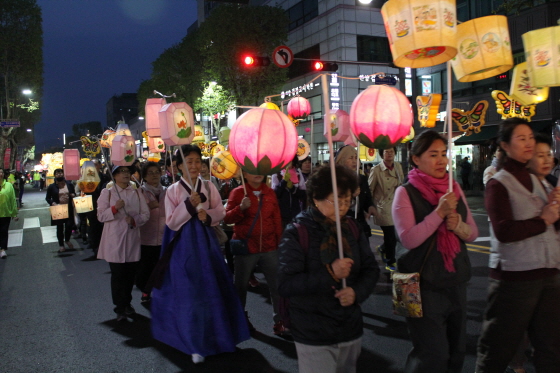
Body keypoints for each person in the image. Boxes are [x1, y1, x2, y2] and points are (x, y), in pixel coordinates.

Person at [151, 145, 249, 364]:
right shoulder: (173, 190)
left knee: (211, 290)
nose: (194, 166)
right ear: (178, 166)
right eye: (189, 161)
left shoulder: (208, 185)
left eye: (197, 161)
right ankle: (194, 342)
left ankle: (218, 338)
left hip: (206, 244)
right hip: (183, 247)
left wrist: (207, 216)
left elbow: (220, 212)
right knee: (190, 295)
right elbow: (172, 223)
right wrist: (189, 205)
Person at [476, 118, 560, 373]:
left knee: (550, 348)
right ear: (505, 145)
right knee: (498, 348)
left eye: (530, 138)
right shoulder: (498, 183)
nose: (528, 143)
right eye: (521, 138)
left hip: (549, 274)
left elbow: (553, 228)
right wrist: (542, 219)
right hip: (514, 278)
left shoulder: (542, 181)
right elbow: (503, 231)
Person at [277, 165, 379, 373]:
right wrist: (329, 274)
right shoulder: (298, 232)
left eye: (347, 200)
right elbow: (286, 284)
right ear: (316, 198)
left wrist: (356, 293)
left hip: (350, 328)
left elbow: (370, 269)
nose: (343, 207)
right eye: (336, 201)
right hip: (313, 332)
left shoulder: (351, 227)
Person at [392, 130, 478, 373]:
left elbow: (472, 233)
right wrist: (438, 213)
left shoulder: (454, 188)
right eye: (433, 154)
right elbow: (408, 239)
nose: (442, 160)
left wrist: (458, 226)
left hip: (455, 281)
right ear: (416, 159)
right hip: (420, 285)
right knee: (431, 355)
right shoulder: (405, 192)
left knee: (456, 351)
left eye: (444, 154)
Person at [224, 169, 284, 335]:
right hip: (246, 247)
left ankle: (280, 321)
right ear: (244, 174)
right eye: (252, 170)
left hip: (269, 246)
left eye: (260, 170)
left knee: (276, 286)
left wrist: (280, 244)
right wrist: (240, 208)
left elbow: (276, 219)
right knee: (240, 286)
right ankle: (238, 320)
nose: (257, 173)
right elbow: (227, 218)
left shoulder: (270, 192)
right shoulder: (237, 193)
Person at [97, 165, 150, 321]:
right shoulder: (107, 193)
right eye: (122, 172)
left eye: (128, 171)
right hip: (114, 240)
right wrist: (114, 208)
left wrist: (135, 220)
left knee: (129, 275)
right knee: (118, 275)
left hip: (132, 239)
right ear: (114, 175)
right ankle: (120, 307)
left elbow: (145, 214)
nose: (126, 174)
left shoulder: (136, 192)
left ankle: (127, 304)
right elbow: (100, 215)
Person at [368, 147, 404, 271]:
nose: (389, 154)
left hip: (396, 206)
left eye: (392, 151)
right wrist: (369, 206)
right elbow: (370, 189)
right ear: (382, 154)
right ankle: (390, 261)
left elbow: (402, 184)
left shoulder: (398, 166)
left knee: (396, 235)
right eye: (386, 151)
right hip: (383, 207)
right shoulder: (376, 170)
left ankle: (383, 249)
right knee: (390, 236)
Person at [136, 162, 166, 303]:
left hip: (164, 235)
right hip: (146, 236)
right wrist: (148, 206)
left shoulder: (167, 191)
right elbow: (136, 212)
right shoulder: (140, 192)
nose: (154, 175)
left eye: (157, 172)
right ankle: (145, 291)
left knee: (162, 266)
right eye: (150, 173)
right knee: (146, 267)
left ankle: (162, 291)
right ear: (144, 176)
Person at [335, 146, 376, 241]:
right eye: (350, 158)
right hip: (343, 224)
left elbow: (367, 199)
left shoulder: (361, 179)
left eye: (356, 158)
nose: (354, 161)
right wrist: (350, 196)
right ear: (342, 159)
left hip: (359, 223)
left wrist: (370, 207)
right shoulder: (335, 179)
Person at [46, 169, 77, 253]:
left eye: (60, 173)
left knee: (69, 225)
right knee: (59, 227)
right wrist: (52, 203)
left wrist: (73, 195)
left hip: (68, 208)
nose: (59, 174)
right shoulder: (52, 186)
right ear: (55, 175)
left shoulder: (69, 184)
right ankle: (61, 245)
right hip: (58, 208)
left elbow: (74, 193)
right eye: (57, 173)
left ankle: (67, 239)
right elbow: (48, 198)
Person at [272, 155, 307, 229]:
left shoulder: (298, 173)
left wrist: (292, 188)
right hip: (281, 215)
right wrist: (283, 182)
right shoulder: (277, 174)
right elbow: (275, 194)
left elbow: (303, 194)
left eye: (290, 160)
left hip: (296, 213)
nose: (288, 163)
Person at [0, 169, 19, 259]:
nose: (0, 174)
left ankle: (2, 249)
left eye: (1, 172)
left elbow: (12, 200)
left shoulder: (8, 185)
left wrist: (14, 213)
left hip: (5, 213)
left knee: (4, 232)